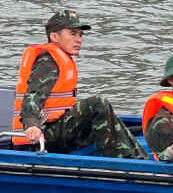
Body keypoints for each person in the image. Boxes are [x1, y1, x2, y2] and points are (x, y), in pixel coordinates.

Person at [13, 9, 147, 158]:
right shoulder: (48, 61)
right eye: (72, 34)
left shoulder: (61, 58)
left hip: (55, 130)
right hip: (39, 138)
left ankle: (140, 157)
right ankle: (122, 161)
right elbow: (31, 97)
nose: (79, 39)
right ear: (54, 36)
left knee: (107, 116)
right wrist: (32, 124)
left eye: (80, 34)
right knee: (97, 103)